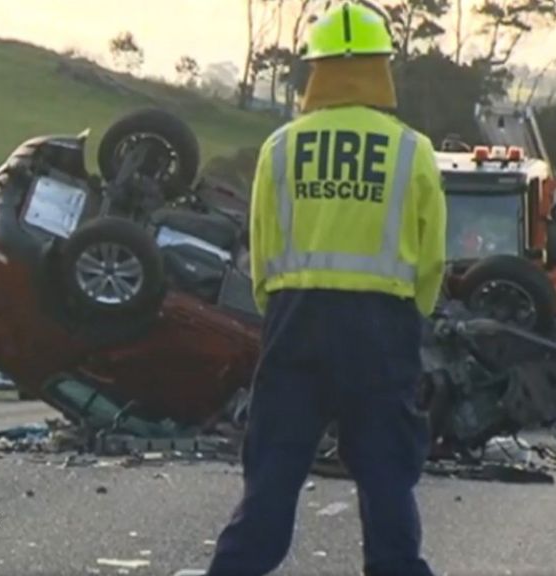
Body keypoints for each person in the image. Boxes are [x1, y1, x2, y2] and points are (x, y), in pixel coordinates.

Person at [191, 3, 447, 575]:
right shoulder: (412, 151)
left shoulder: (280, 148)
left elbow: (262, 247)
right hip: (383, 329)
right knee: (386, 483)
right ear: (381, 67)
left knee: (273, 480)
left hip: (297, 321)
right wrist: (413, 319)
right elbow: (430, 260)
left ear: (316, 69)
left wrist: (278, 310)